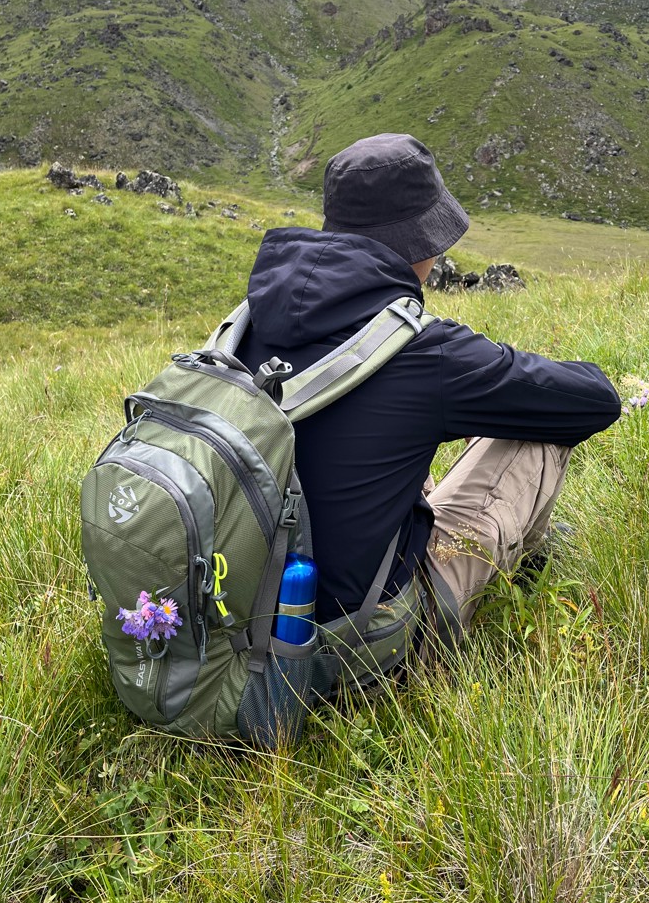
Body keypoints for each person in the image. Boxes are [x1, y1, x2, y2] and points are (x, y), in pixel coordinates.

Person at [235, 133, 620, 656]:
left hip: (236, 619)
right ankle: (524, 588)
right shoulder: (423, 352)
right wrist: (491, 381)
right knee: (538, 433)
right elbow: (596, 400)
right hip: (361, 646)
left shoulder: (243, 327)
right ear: (420, 244)